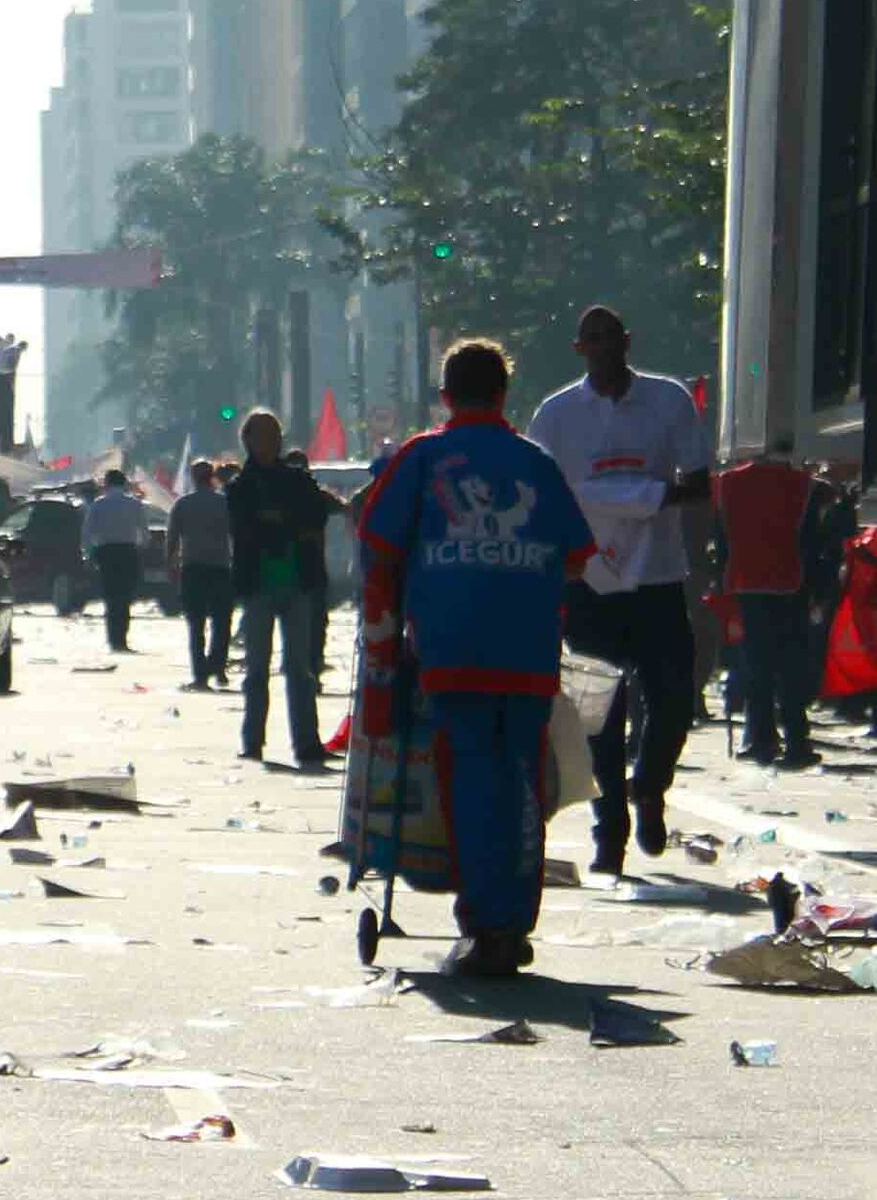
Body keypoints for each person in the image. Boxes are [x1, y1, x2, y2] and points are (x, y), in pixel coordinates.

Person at [352, 337, 598, 976]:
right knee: (520, 784)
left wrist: (384, 635)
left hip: (453, 649)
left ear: (445, 395)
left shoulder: (425, 458)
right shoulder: (535, 463)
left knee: (473, 780)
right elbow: (576, 554)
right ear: (503, 393)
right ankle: (510, 922)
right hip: (527, 653)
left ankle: (489, 925)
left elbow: (377, 541)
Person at [526, 304, 714, 876]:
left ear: (628, 343)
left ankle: (650, 784)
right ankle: (610, 829)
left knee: (675, 697)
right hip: (590, 583)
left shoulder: (667, 399)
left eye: (614, 339)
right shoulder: (557, 414)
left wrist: (651, 500)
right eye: (594, 341)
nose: (605, 350)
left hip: (658, 575)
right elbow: (537, 495)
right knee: (599, 716)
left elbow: (701, 480)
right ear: (580, 349)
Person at [225, 406, 342, 768]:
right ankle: (252, 741)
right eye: (260, 437)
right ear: (248, 441)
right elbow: (245, 529)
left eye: (273, 437)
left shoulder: (296, 480)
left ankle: (306, 743)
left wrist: (277, 520)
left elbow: (317, 514)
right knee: (257, 670)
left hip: (298, 582)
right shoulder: (240, 487)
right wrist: (284, 522)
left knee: (300, 670)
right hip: (259, 584)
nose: (267, 444)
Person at [711, 445, 825, 770]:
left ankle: (760, 738)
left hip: (746, 581)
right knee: (791, 666)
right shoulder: (803, 485)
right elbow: (812, 542)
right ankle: (796, 739)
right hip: (791, 582)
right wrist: (818, 589)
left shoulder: (728, 483)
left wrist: (721, 578)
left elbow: (721, 537)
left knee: (756, 665)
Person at [169, 455, 237, 689]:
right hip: (220, 567)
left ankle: (200, 674)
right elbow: (236, 536)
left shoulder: (183, 503)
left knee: (196, 624)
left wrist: (171, 562)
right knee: (221, 621)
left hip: (193, 568)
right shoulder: (224, 503)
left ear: (192, 477)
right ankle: (217, 667)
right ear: (212, 477)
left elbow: (172, 537)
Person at [79, 464, 151, 654]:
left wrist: (88, 554)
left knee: (110, 597)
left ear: (107, 484)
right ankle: (122, 638)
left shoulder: (98, 504)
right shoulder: (134, 503)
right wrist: (141, 548)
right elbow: (144, 532)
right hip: (127, 552)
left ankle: (113, 639)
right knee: (125, 597)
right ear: (124, 483)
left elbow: (87, 533)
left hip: (106, 553)